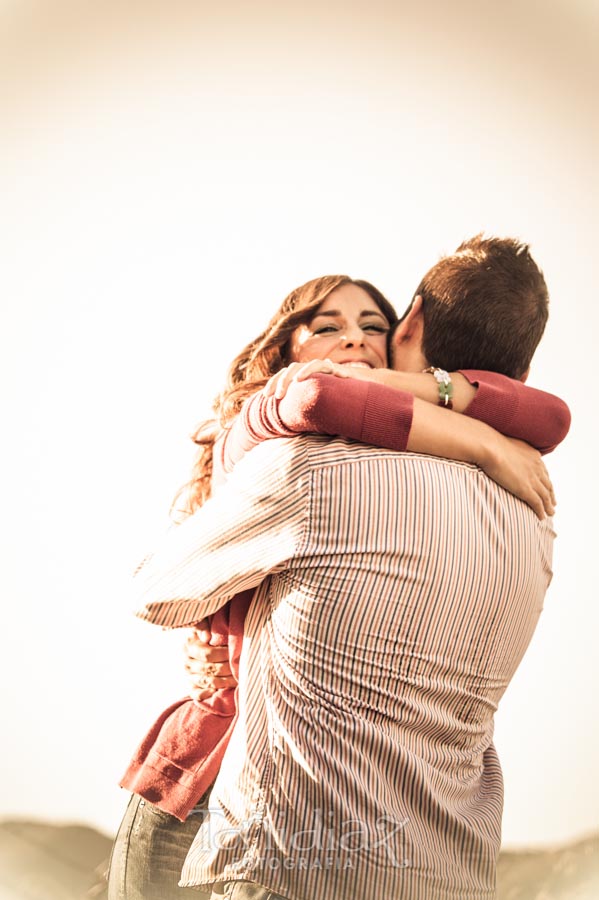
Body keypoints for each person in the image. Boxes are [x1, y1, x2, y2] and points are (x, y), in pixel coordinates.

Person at [125, 236, 570, 899]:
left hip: (295, 860)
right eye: (327, 326)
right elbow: (545, 416)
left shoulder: (305, 468)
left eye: (372, 327)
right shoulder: (533, 517)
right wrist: (475, 435)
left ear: (407, 327)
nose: (355, 345)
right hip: (450, 870)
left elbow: (156, 594)